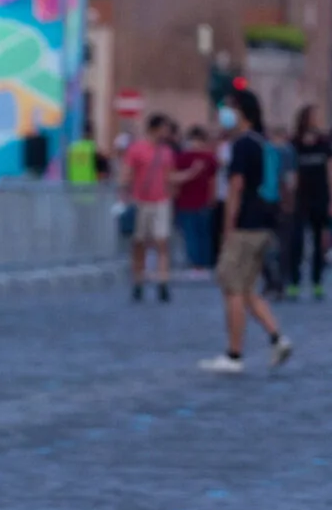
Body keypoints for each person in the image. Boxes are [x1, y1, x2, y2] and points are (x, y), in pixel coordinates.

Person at [201, 89, 292, 374]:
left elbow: (236, 188)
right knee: (248, 288)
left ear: (242, 111)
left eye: (228, 108)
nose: (223, 114)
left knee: (232, 288)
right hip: (264, 223)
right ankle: (277, 338)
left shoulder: (242, 145)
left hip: (245, 226)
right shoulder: (263, 143)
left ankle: (234, 354)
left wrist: (228, 226)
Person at [122, 114, 177, 303]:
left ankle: (163, 282)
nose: (167, 132)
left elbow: (170, 176)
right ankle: (138, 281)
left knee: (162, 242)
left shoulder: (167, 152)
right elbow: (127, 173)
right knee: (139, 244)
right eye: (165, 128)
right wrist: (125, 196)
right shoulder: (137, 149)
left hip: (161, 201)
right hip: (140, 201)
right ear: (155, 128)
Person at [288, 107, 332, 301]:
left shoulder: (325, 145)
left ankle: (317, 282)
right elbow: (290, 172)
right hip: (300, 199)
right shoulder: (295, 144)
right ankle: (294, 282)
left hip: (321, 198)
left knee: (319, 243)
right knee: (296, 242)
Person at [173, 124, 219, 276]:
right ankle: (204, 264)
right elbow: (213, 180)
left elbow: (176, 181)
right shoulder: (210, 158)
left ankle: (195, 264)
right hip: (203, 201)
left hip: (186, 202)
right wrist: (212, 198)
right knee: (203, 234)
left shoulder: (182, 157)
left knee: (191, 234)